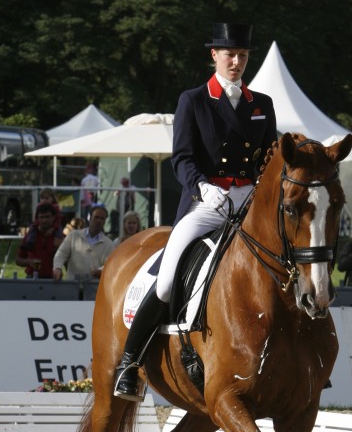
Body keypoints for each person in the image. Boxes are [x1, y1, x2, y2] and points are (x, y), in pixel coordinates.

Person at [114, 22, 277, 400]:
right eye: (229, 55)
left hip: (249, 202)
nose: (236, 62)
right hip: (207, 201)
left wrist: (259, 186)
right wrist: (204, 186)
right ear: (214, 56)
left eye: (242, 56)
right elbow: (182, 157)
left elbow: (269, 158)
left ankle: (299, 355)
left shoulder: (261, 104)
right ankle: (129, 362)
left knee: (285, 263)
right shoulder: (194, 100)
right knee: (169, 278)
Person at [53, 202, 114, 281]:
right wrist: (57, 268)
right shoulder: (73, 235)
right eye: (96, 217)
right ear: (90, 218)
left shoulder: (109, 244)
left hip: (94, 288)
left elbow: (109, 265)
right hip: (72, 286)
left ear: (105, 221)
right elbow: (61, 254)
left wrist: (100, 271)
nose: (99, 221)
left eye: (102, 218)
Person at [15, 202, 64, 278]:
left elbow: (71, 262)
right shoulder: (30, 236)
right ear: (37, 218)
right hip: (32, 278)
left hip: (54, 279)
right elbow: (18, 259)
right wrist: (28, 262)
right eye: (41, 217)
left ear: (53, 217)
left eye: (47, 217)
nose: (44, 220)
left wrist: (61, 247)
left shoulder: (59, 237)